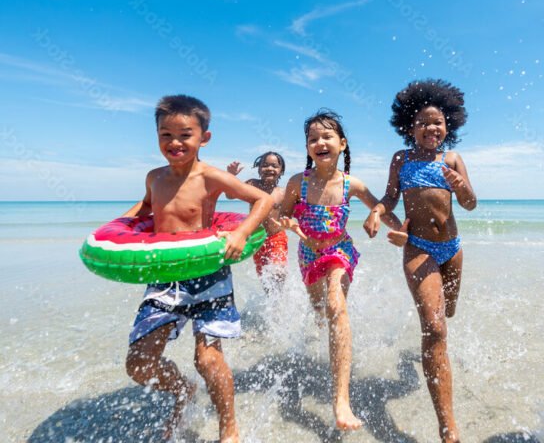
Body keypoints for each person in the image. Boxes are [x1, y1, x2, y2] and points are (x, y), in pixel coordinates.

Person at [122, 95, 273, 443]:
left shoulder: (210, 177)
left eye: (185, 135)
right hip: (166, 277)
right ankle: (183, 389)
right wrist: (117, 231)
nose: (174, 142)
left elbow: (262, 199)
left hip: (209, 276)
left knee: (207, 360)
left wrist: (241, 233)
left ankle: (228, 429)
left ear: (204, 138)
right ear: (157, 136)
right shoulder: (154, 177)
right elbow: (146, 207)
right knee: (139, 363)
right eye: (166, 135)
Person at [364, 79, 476, 443]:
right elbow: (390, 197)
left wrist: (460, 185)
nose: (431, 128)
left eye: (438, 122)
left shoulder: (452, 159)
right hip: (418, 248)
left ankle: (427, 357)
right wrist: (377, 212)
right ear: (409, 127)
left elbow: (470, 204)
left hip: (452, 249)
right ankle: (448, 427)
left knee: (449, 313)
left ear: (448, 126)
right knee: (435, 327)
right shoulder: (402, 159)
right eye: (423, 122)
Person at [279, 109, 403, 431]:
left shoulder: (351, 184)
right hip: (308, 255)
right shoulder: (297, 183)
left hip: (339, 251)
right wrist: (286, 222)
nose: (320, 142)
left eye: (327, 136)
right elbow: (280, 216)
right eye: (313, 139)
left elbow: (381, 208)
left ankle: (341, 401)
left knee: (336, 305)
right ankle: (328, 338)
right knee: (320, 311)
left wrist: (401, 229)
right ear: (307, 148)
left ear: (342, 144)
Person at [228, 152, 288, 294]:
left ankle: (280, 297)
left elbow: (296, 212)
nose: (269, 168)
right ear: (259, 168)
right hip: (257, 239)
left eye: (274, 166)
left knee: (278, 271)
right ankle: (272, 303)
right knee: (265, 278)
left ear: (281, 171)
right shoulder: (252, 185)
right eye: (265, 165)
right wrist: (231, 176)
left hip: (277, 237)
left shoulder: (282, 193)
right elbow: (230, 195)